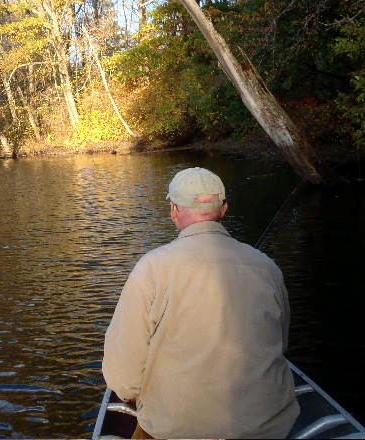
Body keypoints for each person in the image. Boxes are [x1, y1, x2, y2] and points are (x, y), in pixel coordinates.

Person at [102, 167, 299, 439]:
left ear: (174, 210)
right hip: (266, 427)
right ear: (224, 209)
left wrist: (133, 395)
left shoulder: (152, 268)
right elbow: (281, 342)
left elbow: (123, 376)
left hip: (176, 429)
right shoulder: (267, 267)